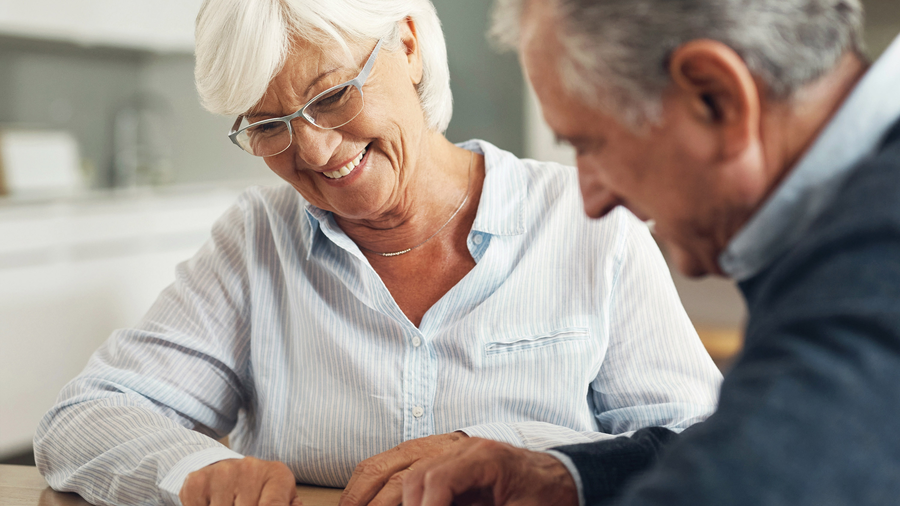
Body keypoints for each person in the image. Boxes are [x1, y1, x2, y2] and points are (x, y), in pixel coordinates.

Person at [33, 1, 722, 505]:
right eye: (269, 125)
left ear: (411, 46)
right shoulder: (255, 240)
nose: (313, 151)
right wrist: (191, 471)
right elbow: (84, 417)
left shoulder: (590, 223)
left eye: (331, 95)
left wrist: (519, 450)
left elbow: (704, 445)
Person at [401, 0, 900, 505]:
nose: (593, 202)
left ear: (715, 97)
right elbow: (779, 450)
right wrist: (569, 476)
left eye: (590, 144)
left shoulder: (877, 251)